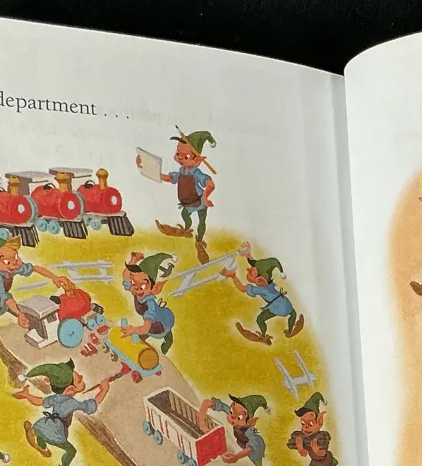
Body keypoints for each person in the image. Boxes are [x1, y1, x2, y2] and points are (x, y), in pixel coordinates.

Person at [0, 229, 72, 351]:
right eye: (7, 261)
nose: (14, 263)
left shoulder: (12, 268)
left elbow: (35, 268)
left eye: (15, 257)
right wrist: (19, 314)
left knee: (22, 313)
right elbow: (6, 299)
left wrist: (54, 277)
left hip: (2, 302)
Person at [13, 359, 113, 466]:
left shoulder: (56, 398)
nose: (82, 378)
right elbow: (92, 405)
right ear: (70, 389)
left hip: (43, 425)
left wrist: (27, 395)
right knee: (71, 451)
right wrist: (104, 390)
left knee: (42, 435)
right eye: (79, 380)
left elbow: (40, 401)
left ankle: (41, 445)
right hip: (55, 431)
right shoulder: (71, 403)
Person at [142, 129, 216, 263]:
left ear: (197, 160)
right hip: (187, 203)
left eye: (186, 156)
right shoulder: (181, 172)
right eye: (178, 154)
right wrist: (150, 170)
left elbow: (210, 184)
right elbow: (169, 178)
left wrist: (205, 197)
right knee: (185, 215)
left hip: (199, 201)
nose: (180, 158)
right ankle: (186, 230)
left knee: (201, 221)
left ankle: (199, 241)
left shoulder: (196, 173)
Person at [222, 254, 303, 344]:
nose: (248, 270)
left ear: (259, 280)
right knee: (292, 313)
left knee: (260, 319)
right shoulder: (267, 282)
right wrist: (248, 255)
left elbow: (241, 288)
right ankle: (290, 330)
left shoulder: (261, 289)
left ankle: (263, 336)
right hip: (285, 302)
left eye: (250, 273)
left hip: (278, 308)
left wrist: (233, 276)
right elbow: (257, 267)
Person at [287, 391, 348, 466]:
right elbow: (304, 454)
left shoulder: (321, 437)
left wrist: (317, 451)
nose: (306, 427)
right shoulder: (303, 438)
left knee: (333, 462)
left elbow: (323, 453)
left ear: (319, 422)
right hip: (315, 460)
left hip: (325, 458)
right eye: (303, 423)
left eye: (310, 424)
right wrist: (300, 449)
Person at [121, 251, 177, 355]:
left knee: (161, 336)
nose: (136, 288)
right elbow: (126, 278)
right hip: (151, 323)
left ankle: (164, 351)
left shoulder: (150, 305)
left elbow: (145, 329)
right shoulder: (137, 292)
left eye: (143, 286)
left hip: (162, 324)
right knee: (142, 337)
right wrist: (133, 261)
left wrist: (133, 330)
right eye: (134, 283)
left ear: (155, 289)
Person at [198, 393, 268, 466]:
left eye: (239, 417)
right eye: (231, 411)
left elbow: (251, 449)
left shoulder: (248, 432)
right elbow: (207, 402)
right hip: (241, 445)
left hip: (255, 453)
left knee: (256, 465)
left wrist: (236, 457)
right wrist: (202, 422)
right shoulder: (233, 413)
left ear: (250, 422)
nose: (232, 417)